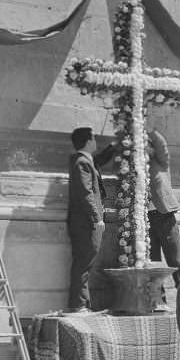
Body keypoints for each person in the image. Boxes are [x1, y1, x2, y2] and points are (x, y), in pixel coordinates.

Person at [65, 126, 115, 313]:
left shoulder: (85, 160)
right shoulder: (81, 163)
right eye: (93, 138)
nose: (96, 141)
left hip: (86, 222)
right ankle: (78, 305)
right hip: (86, 223)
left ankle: (82, 304)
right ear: (87, 141)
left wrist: (113, 146)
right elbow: (86, 193)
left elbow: (98, 161)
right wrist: (97, 218)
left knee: (86, 261)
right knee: (84, 261)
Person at [147, 130, 180, 298]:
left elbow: (161, 145)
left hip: (164, 214)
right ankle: (158, 300)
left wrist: (150, 131)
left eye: (146, 147)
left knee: (175, 259)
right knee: (152, 261)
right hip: (146, 219)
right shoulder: (134, 166)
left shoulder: (160, 162)